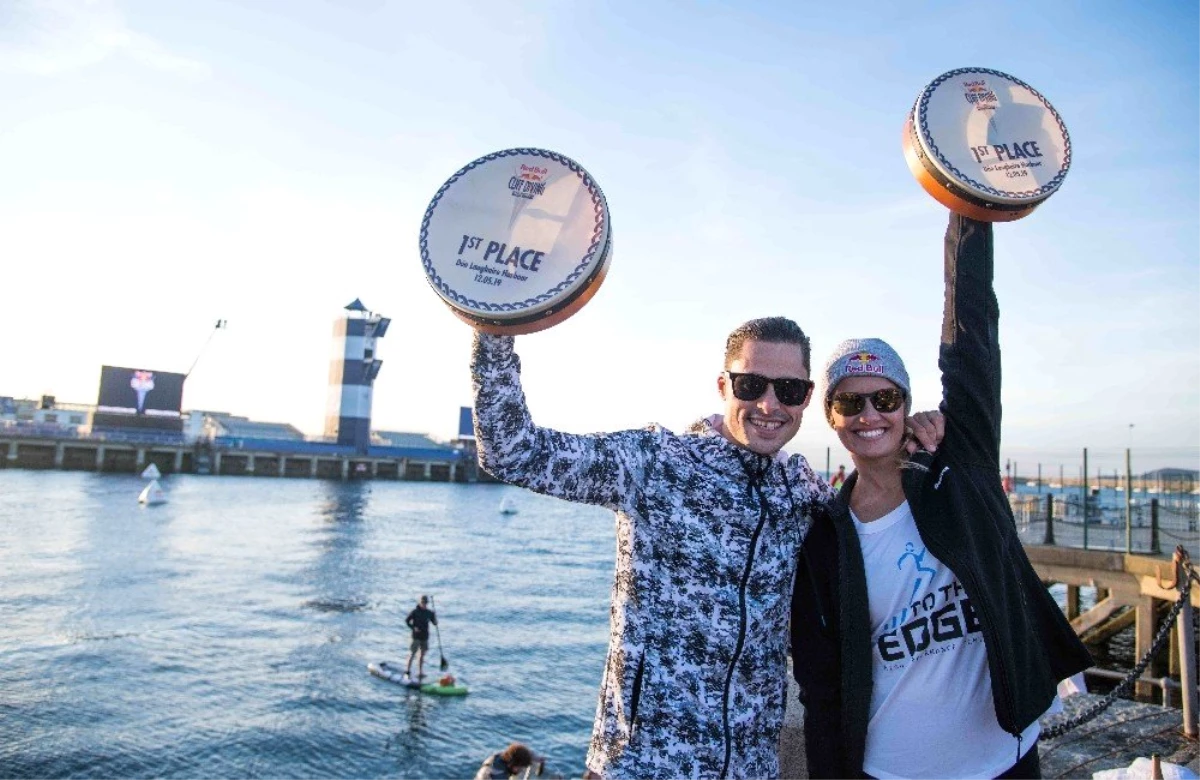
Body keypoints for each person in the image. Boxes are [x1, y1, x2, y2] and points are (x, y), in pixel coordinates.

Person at [470, 318, 943, 779]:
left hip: (752, 768)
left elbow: (873, 515)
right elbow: (513, 452)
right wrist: (495, 326)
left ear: (807, 400)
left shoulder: (799, 488)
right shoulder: (654, 463)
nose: (769, 404)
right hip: (642, 765)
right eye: (751, 385)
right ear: (723, 385)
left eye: (789, 390)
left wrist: (918, 439)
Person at [789, 214, 1093, 779]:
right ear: (830, 417)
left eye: (884, 397)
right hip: (891, 769)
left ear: (906, 402)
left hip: (1005, 757)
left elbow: (972, 338)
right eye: (850, 403)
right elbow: (821, 682)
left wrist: (968, 205)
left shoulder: (960, 467)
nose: (870, 415)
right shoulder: (824, 536)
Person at [404, 595, 437, 681]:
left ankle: (420, 672)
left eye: (425, 603)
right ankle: (407, 671)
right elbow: (407, 621)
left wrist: (435, 617)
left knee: (422, 655)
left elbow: (435, 623)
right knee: (412, 653)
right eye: (423, 602)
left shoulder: (429, 613)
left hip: (425, 636)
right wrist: (413, 627)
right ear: (419, 602)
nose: (424, 604)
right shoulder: (414, 611)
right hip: (415, 636)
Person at [475, 742, 542, 780]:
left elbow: (516, 751)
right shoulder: (499, 776)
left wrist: (532, 757)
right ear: (513, 764)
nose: (521, 770)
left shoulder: (497, 757)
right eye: (520, 767)